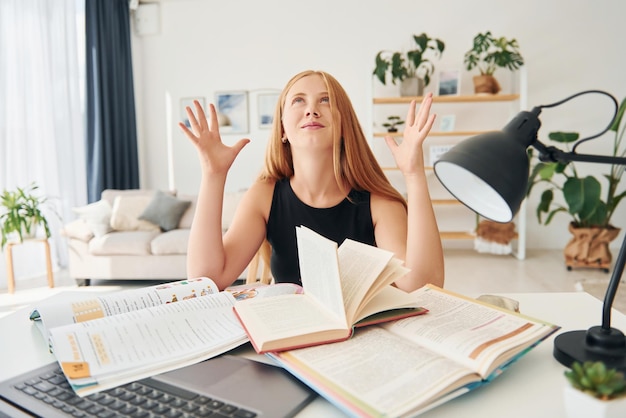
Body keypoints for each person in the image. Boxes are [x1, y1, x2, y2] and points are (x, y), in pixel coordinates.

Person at [179, 70, 444, 292]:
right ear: (282, 128)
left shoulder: (378, 202)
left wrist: (414, 174)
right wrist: (214, 176)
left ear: (344, 124)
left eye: (326, 100)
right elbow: (208, 279)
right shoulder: (264, 195)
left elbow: (422, 287)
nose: (312, 110)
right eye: (298, 101)